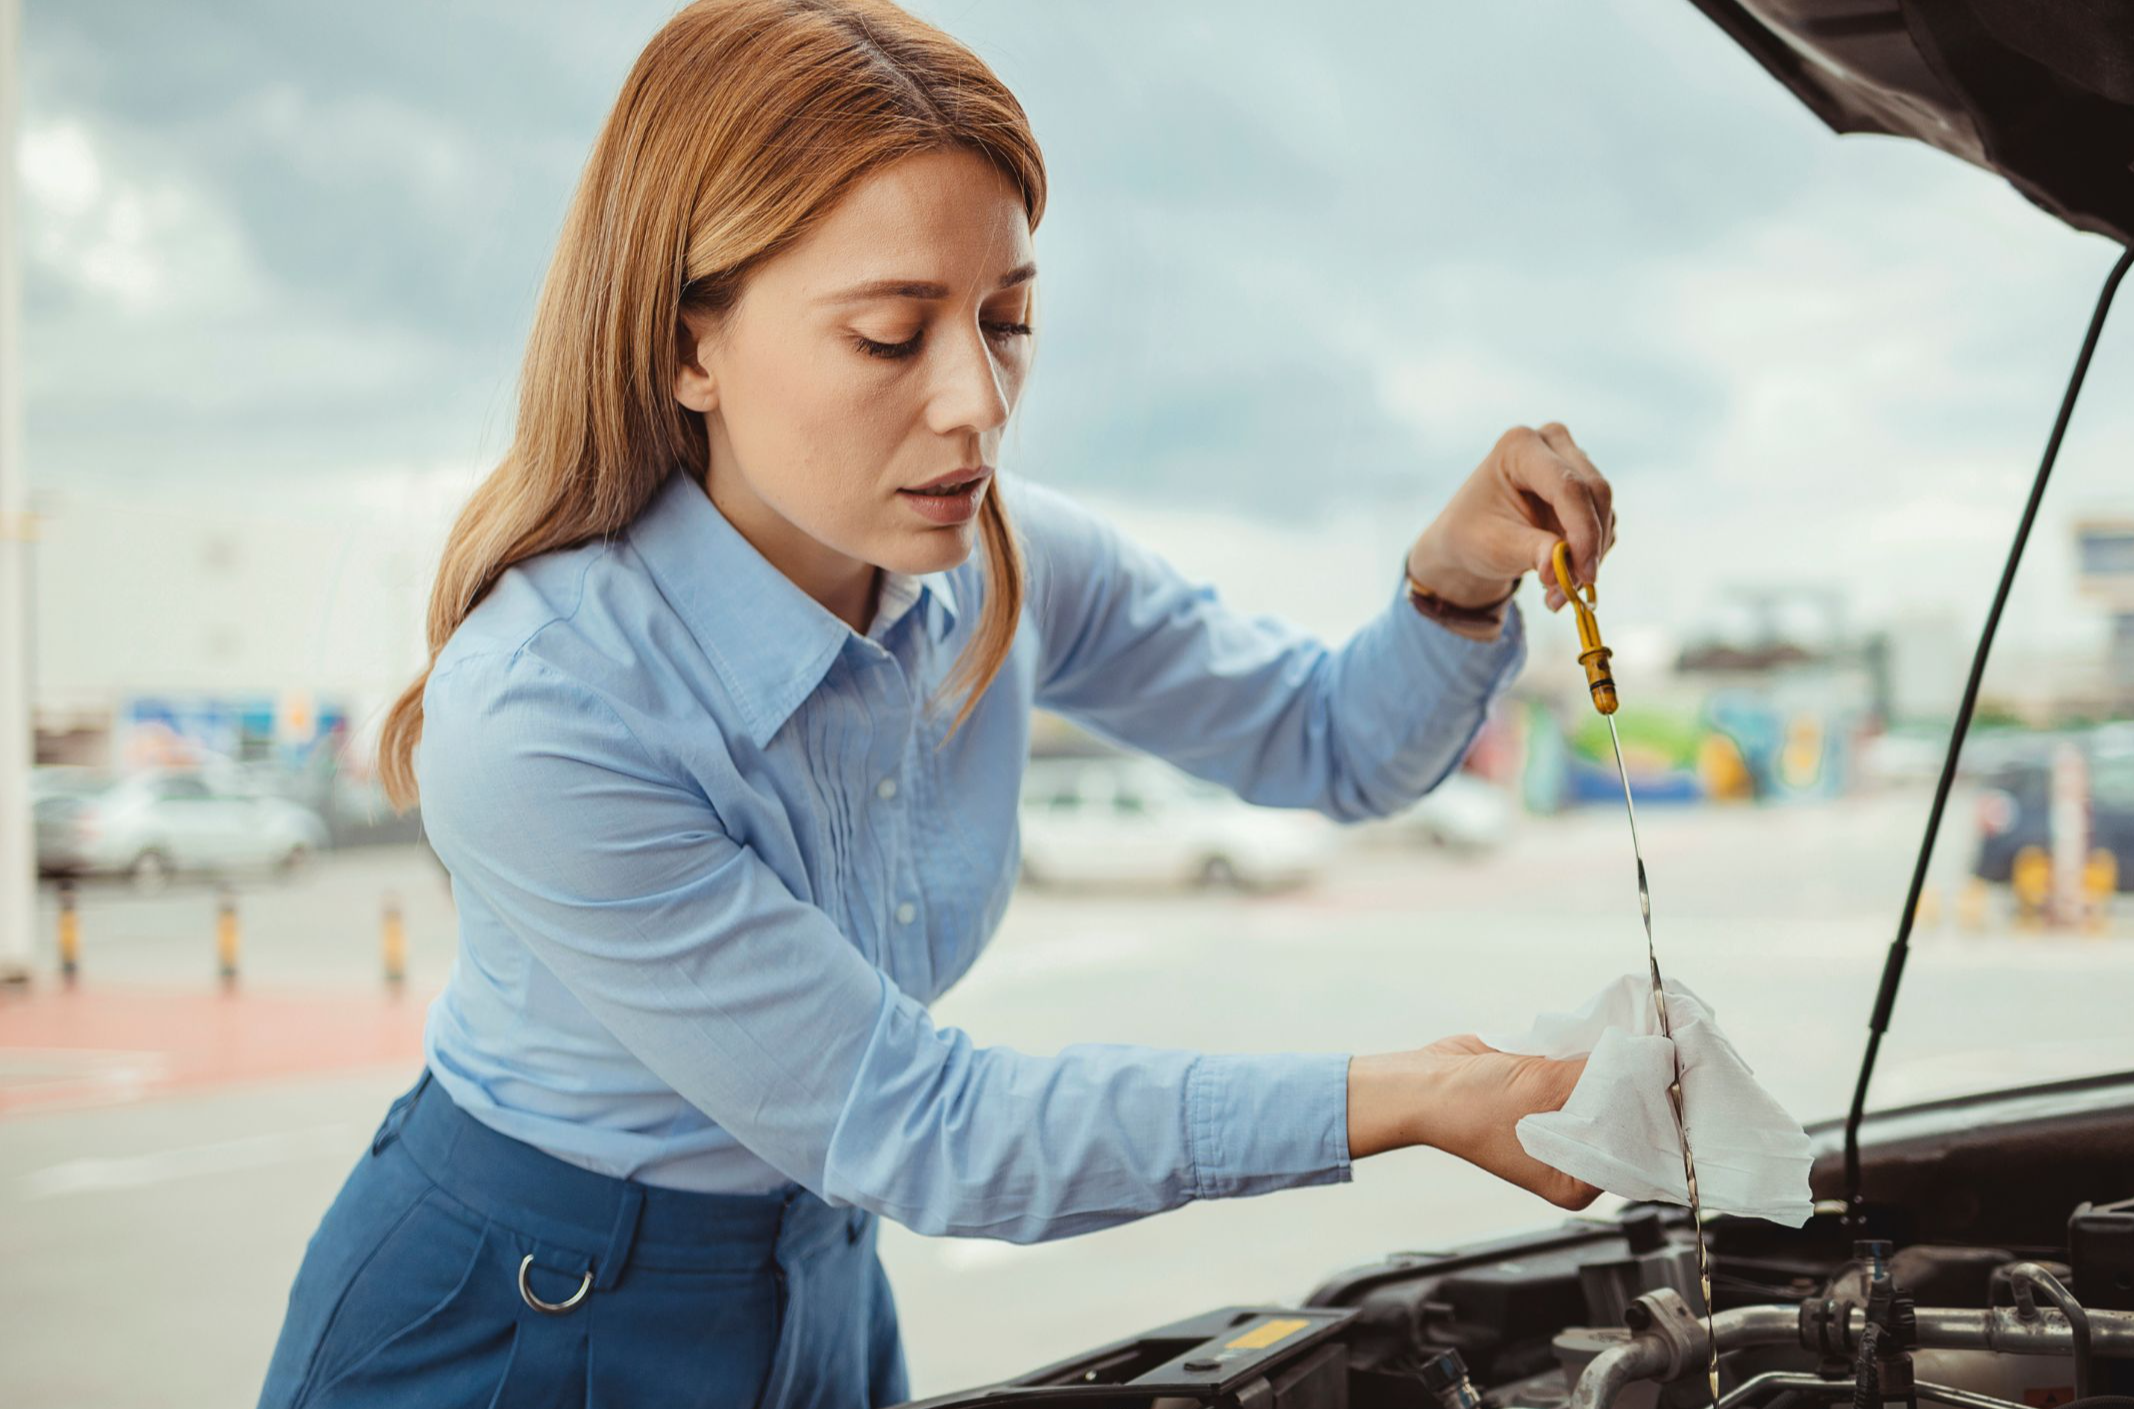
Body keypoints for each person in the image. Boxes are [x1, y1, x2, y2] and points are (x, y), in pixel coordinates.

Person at [256, 2, 1623, 1405]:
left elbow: (1332, 740)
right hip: (522, 1323)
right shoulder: (543, 715)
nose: (978, 402)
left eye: (1006, 320)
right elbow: (923, 1125)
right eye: (892, 334)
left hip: (819, 1282)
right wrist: (1413, 1094)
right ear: (687, 348)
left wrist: (1452, 582)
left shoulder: (1003, 562)